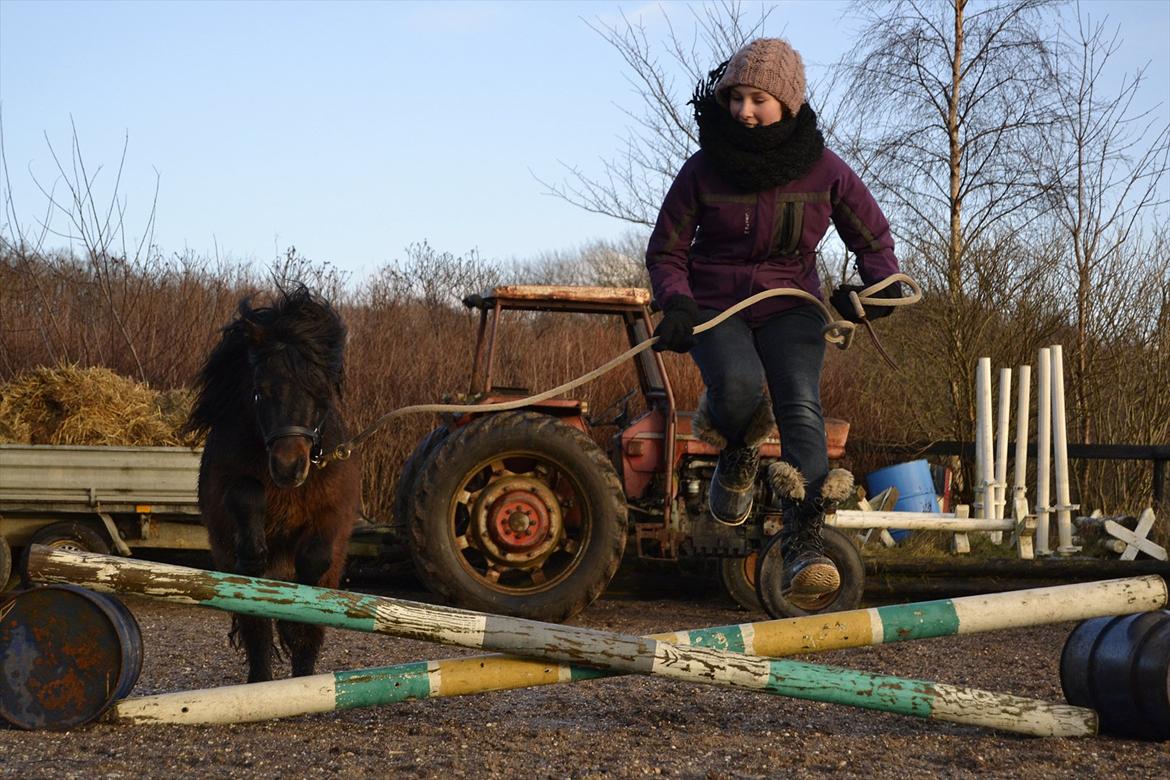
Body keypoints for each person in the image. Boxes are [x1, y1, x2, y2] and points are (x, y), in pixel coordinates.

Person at [645, 37, 902, 602]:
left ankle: (804, 539)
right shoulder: (703, 171)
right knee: (736, 388)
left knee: (800, 404)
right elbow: (666, 251)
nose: (742, 110)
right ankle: (736, 451)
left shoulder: (826, 170)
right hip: (717, 303)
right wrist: (676, 301)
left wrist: (877, 286)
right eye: (735, 97)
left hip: (792, 304)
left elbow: (873, 238)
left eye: (757, 98)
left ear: (786, 102)